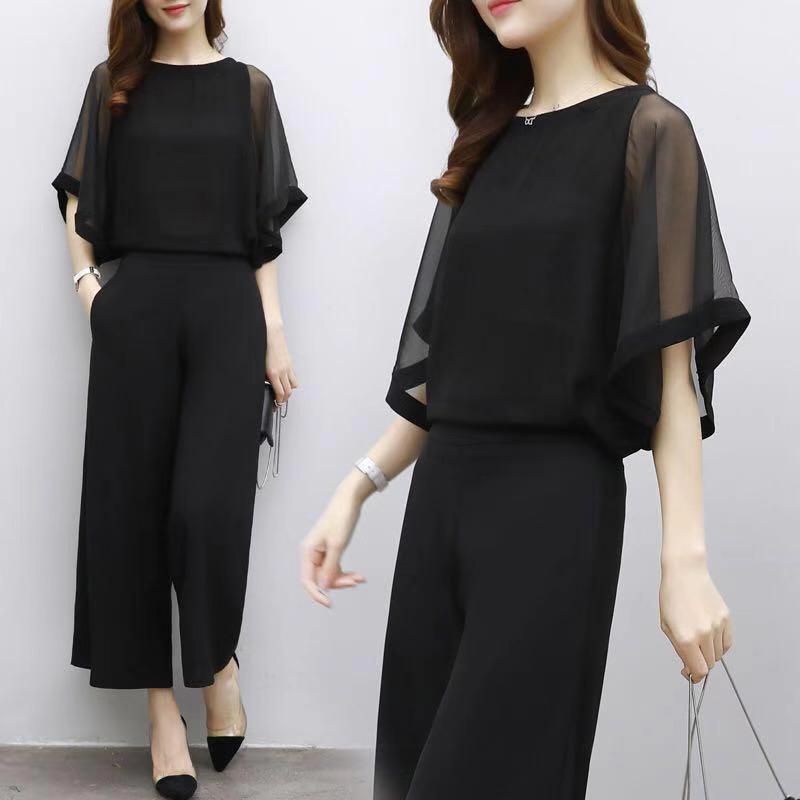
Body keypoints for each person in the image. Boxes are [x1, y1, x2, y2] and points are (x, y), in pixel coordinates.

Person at [301, 0, 750, 797]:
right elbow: (448, 367)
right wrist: (357, 487)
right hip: (439, 510)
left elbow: (672, 372)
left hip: (552, 512)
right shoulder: (487, 141)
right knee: (408, 775)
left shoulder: (650, 132)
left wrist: (684, 561)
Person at [52, 1, 305, 797]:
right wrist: (90, 290)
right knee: (131, 514)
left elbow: (263, 228)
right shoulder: (113, 85)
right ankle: (162, 715)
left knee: (206, 507)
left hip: (228, 312)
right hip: (136, 314)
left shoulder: (250, 89)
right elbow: (77, 196)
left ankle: (218, 664)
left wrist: (274, 332)